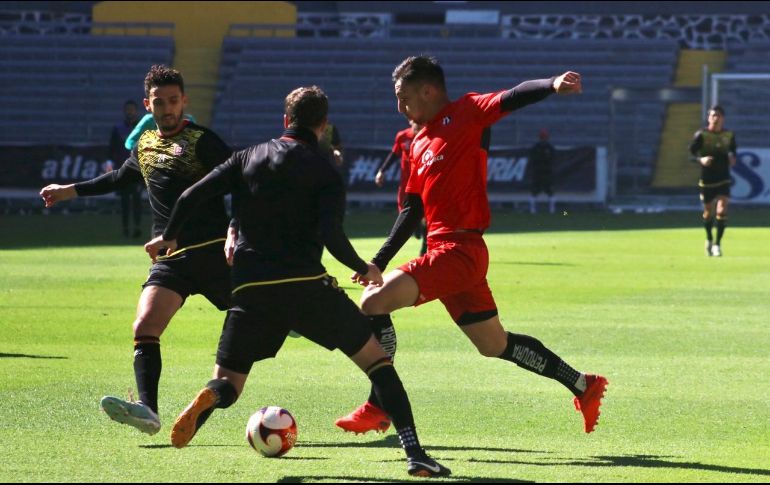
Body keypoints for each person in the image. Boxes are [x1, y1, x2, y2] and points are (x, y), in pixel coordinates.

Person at [144, 86, 450, 478]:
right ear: (322, 126)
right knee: (377, 362)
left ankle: (212, 396)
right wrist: (363, 267)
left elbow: (190, 196)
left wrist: (169, 236)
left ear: (285, 120)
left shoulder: (246, 157)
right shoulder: (325, 171)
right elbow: (331, 236)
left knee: (229, 382)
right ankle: (415, 454)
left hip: (250, 291)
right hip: (307, 287)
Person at [335, 55, 608, 436]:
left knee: (372, 304)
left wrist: (552, 82)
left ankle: (379, 405)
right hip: (447, 254)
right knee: (494, 344)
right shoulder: (416, 144)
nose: (400, 107)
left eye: (404, 97)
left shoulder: (467, 112)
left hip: (459, 250)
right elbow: (411, 211)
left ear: (428, 90)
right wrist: (376, 262)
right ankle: (583, 384)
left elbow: (513, 97)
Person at [39, 65, 235, 436]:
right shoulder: (144, 142)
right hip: (169, 258)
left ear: (185, 101)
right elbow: (117, 178)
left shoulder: (203, 141)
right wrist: (70, 190)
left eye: (174, 101)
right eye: (159, 102)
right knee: (144, 326)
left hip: (212, 254)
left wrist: (236, 230)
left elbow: (240, 183)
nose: (167, 109)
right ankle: (148, 410)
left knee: (265, 315)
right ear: (148, 104)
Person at [689, 105, 736, 257]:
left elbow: (733, 152)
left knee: (722, 209)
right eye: (712, 115)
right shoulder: (701, 135)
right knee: (708, 211)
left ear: (722, 118)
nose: (715, 118)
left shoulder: (729, 135)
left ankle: (717, 244)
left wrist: (732, 157)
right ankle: (709, 239)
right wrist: (700, 159)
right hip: (707, 179)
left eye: (718, 115)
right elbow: (691, 154)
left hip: (723, 178)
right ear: (708, 118)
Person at [374, 119, 427, 256]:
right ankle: (416, 226)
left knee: (426, 214)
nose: (419, 125)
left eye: (420, 122)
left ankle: (425, 245)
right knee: (404, 211)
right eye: (416, 122)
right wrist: (382, 171)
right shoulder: (402, 136)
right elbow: (394, 154)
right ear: (411, 121)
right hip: (406, 184)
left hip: (423, 182)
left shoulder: (428, 136)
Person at [108, 100, 143, 237]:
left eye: (132, 109)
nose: (130, 112)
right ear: (124, 111)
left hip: (138, 170)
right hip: (122, 170)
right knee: (124, 200)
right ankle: (126, 228)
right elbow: (112, 149)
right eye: (127, 109)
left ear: (136, 111)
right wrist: (110, 163)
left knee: (136, 199)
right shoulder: (118, 129)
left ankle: (137, 227)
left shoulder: (142, 128)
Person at [124, 112, 197, 151]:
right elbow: (130, 142)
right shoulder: (149, 119)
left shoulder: (188, 120)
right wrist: (146, 149)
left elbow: (195, 143)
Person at [529, 128, 556, 214]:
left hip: (547, 173)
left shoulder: (550, 148)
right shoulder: (535, 148)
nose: (544, 139)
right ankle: (532, 210)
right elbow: (532, 159)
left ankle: (552, 210)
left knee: (550, 191)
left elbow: (553, 159)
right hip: (537, 173)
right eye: (542, 137)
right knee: (534, 191)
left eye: (545, 137)